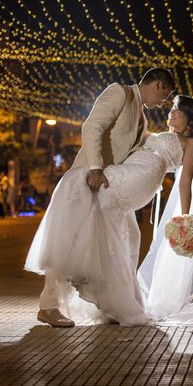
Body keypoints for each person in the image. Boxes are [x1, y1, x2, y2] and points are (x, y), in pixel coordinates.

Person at [26, 93, 193, 327]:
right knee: (122, 235)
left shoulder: (192, 145)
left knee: (85, 198)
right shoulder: (158, 134)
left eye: (177, 111)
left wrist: (184, 218)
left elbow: (185, 181)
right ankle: (104, 299)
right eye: (172, 110)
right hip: (129, 175)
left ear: (190, 119)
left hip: (139, 182)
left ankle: (73, 290)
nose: (171, 114)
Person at [25, 67, 175, 327]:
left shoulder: (141, 115)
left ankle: (111, 301)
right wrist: (94, 168)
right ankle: (48, 306)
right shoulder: (119, 93)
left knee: (129, 239)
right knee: (72, 242)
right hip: (88, 180)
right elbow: (92, 126)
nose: (162, 103)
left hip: (109, 188)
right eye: (164, 96)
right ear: (157, 84)